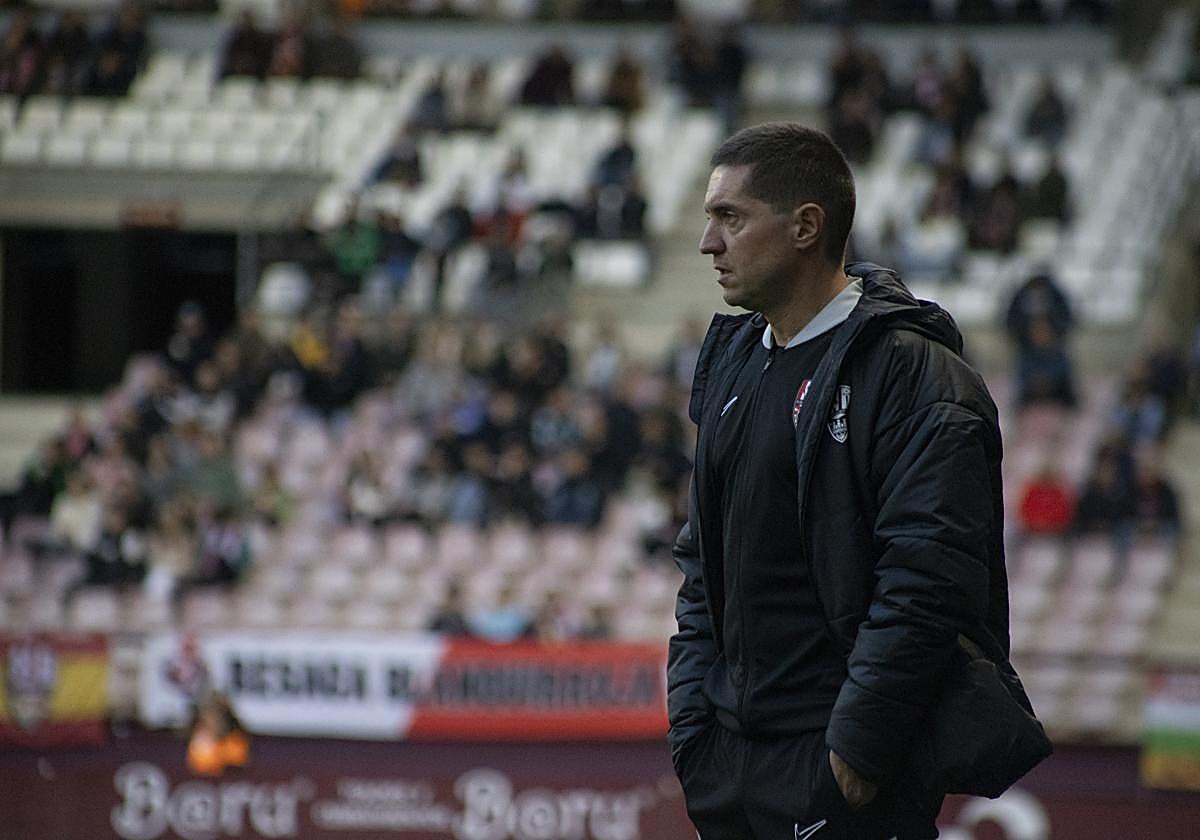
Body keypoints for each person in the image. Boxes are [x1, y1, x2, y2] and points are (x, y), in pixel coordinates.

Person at [669, 123, 1030, 839]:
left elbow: (928, 581)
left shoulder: (914, 376)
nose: (709, 242)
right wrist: (694, 734)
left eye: (730, 218)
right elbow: (699, 564)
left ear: (806, 227)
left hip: (842, 778)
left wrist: (852, 756)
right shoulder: (737, 360)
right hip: (729, 772)